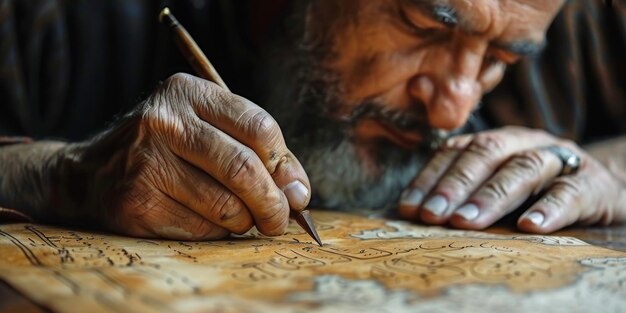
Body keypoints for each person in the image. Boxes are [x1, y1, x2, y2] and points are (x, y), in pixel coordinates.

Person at [0, 0, 624, 240]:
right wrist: (64, 176)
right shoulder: (53, 21)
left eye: (502, 60)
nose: (455, 106)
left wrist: (606, 171)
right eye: (422, 26)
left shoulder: (571, 18)